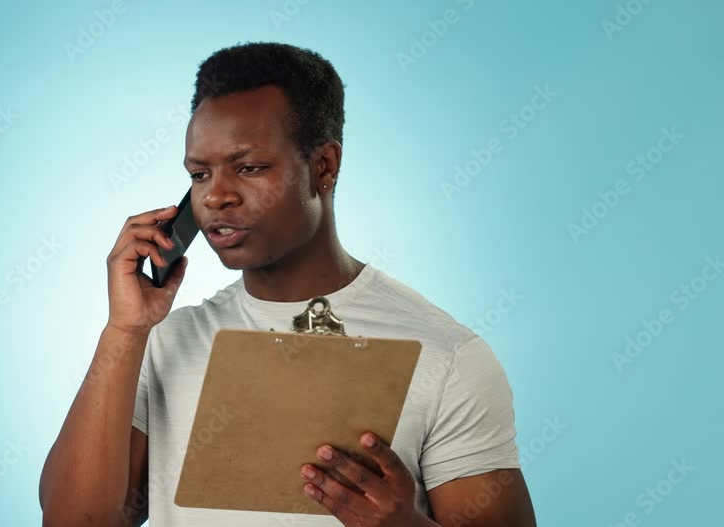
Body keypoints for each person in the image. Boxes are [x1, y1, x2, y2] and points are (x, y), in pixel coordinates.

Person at [40, 41, 537, 526]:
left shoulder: (447, 356)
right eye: (199, 174)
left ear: (324, 167)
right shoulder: (162, 343)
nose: (216, 197)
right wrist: (126, 331)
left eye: (249, 168)